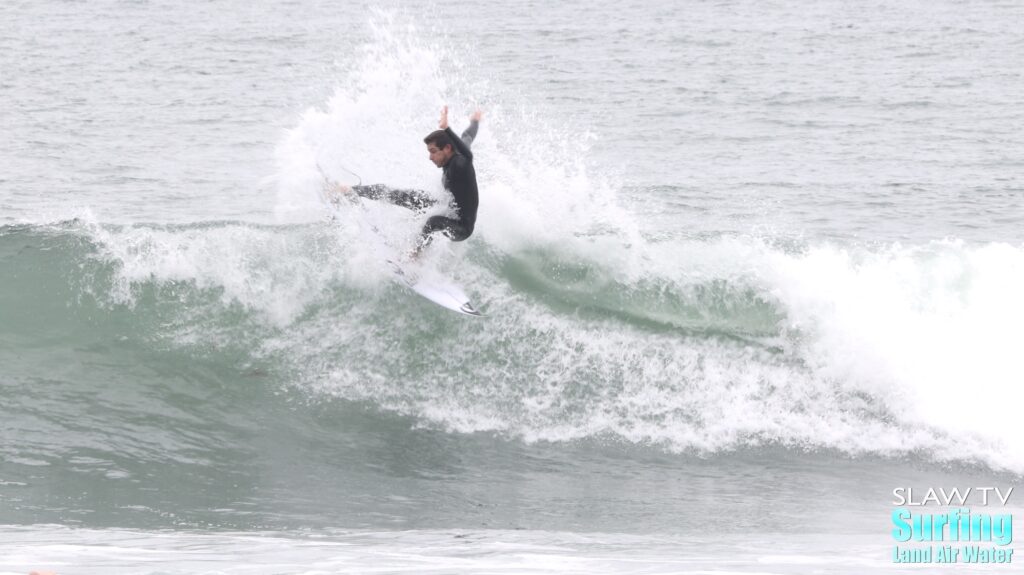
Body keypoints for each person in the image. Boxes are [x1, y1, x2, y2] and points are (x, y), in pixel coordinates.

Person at [331, 106, 481, 259]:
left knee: (433, 221)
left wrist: (447, 128)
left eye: (434, 151)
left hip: (461, 227)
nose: (430, 157)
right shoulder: (452, 157)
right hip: (446, 208)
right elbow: (467, 135)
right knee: (404, 195)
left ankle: (415, 255)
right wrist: (475, 121)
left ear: (448, 148)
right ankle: (350, 190)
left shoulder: (461, 163)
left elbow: (468, 155)